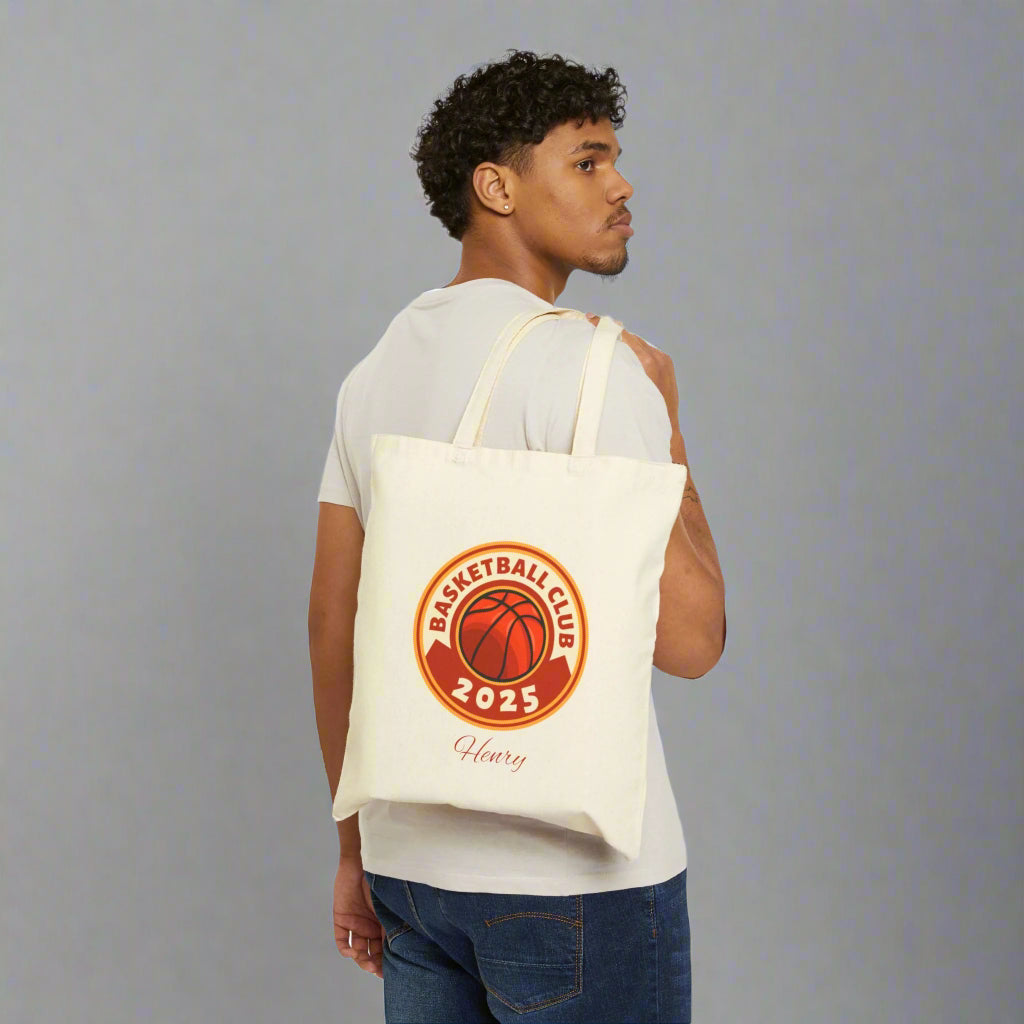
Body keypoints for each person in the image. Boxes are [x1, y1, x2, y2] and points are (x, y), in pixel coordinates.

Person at [308, 48, 726, 1024]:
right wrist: (665, 424)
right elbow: (693, 642)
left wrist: (351, 848)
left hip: (410, 866)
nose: (620, 185)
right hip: (574, 872)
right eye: (586, 160)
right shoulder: (595, 367)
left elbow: (335, 620)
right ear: (494, 185)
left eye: (615, 158)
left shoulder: (372, 374)